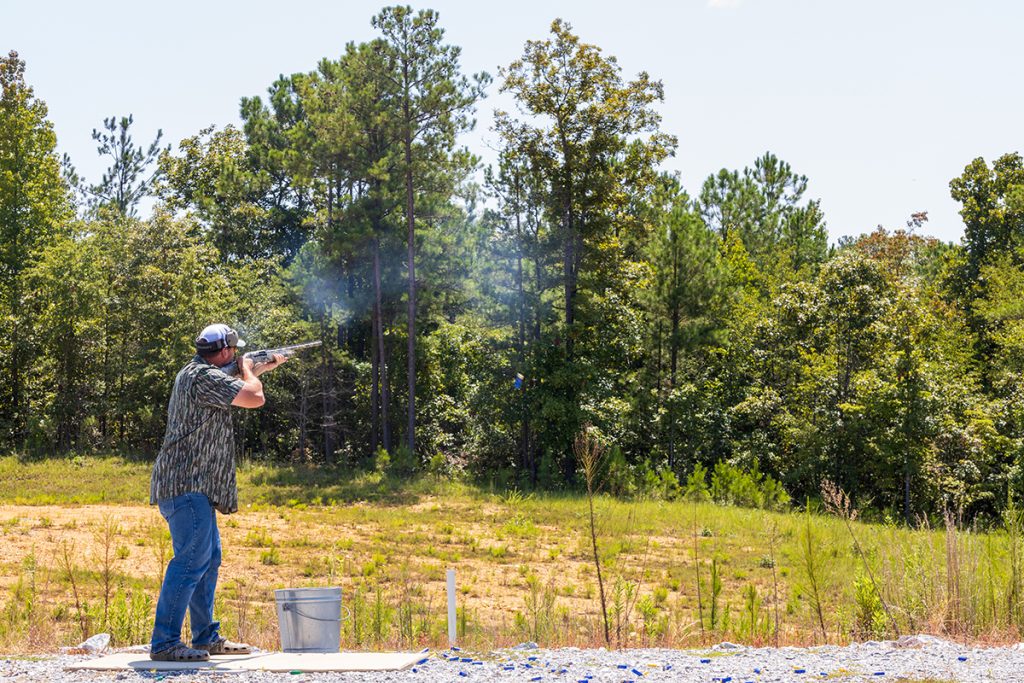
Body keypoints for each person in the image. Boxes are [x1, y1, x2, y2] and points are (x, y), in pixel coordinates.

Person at [148, 324, 286, 662]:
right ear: (224, 352)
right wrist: (250, 372)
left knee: (208, 560)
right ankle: (165, 643)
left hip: (195, 486)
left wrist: (253, 369)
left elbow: (238, 385)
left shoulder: (201, 372)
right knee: (191, 561)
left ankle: (205, 637)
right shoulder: (202, 377)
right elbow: (255, 397)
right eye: (234, 350)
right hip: (185, 484)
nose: (237, 353)